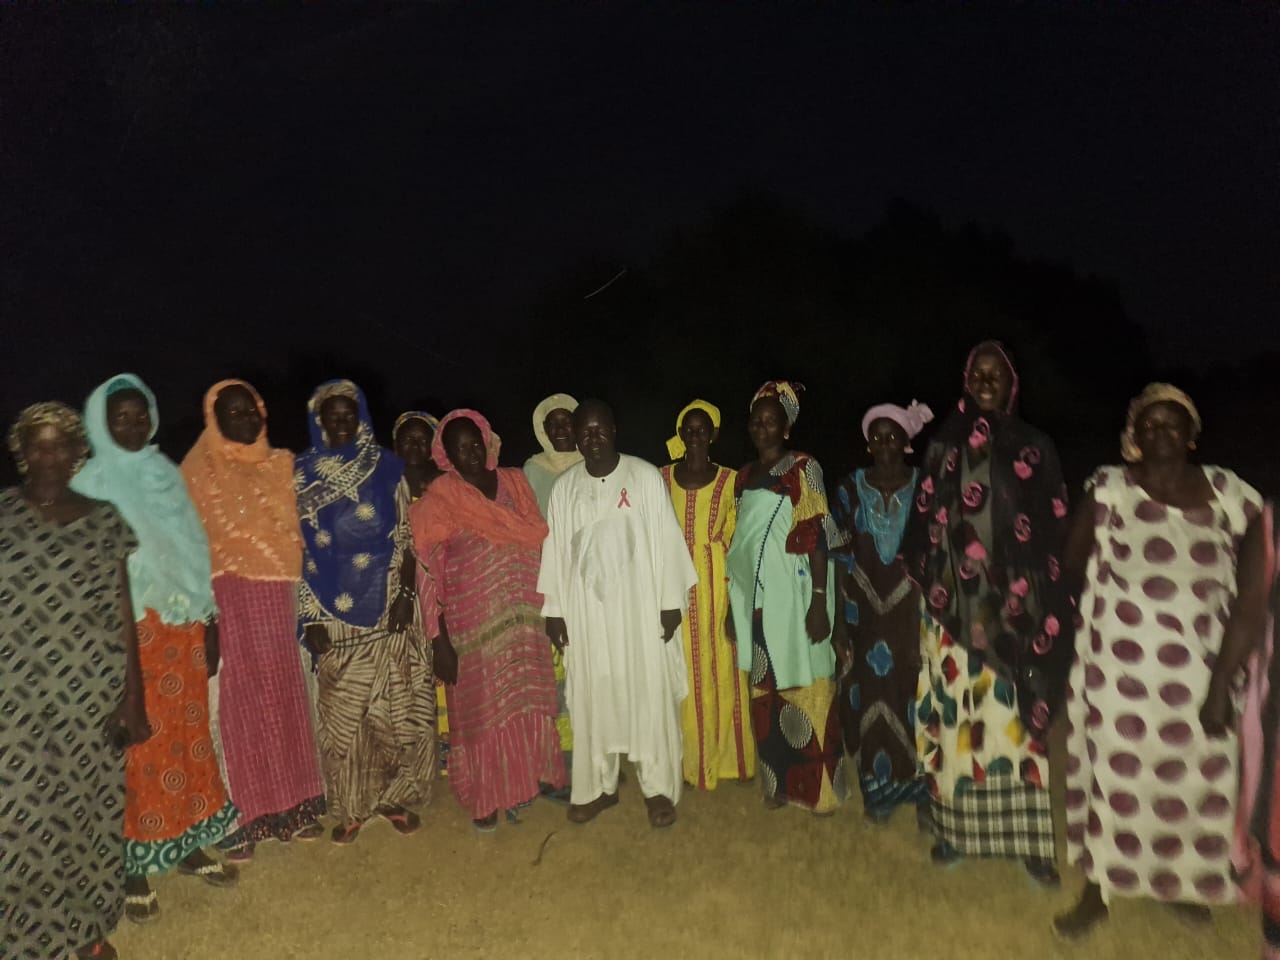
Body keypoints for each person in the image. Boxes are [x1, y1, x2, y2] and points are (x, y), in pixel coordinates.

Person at [1055, 384, 1261, 937]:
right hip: (1119, 674)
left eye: (1173, 424)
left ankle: (1179, 883)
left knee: (1194, 781)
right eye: (1149, 425)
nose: (1161, 433)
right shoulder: (1111, 488)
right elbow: (1072, 564)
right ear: (1134, 437)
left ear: (1193, 435)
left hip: (1202, 672)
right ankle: (1099, 890)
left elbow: (1255, 577)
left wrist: (1225, 675)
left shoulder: (1229, 493)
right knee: (1116, 779)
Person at [71, 374, 239, 923]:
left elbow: (193, 548)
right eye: (120, 416)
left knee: (188, 736)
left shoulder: (166, 474)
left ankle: (187, 841)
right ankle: (133, 864)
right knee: (138, 742)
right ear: (100, 420)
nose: (133, 423)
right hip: (130, 631)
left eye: (140, 413)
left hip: (182, 624)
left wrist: (208, 622)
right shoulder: (91, 482)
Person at [903, 342, 1072, 884]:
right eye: (978, 372)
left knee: (1016, 724)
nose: (985, 381)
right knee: (960, 722)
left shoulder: (1035, 446)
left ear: (1012, 382)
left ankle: (1031, 845)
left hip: (1015, 616)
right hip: (952, 612)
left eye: (995, 374)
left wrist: (1040, 601)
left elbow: (1052, 528)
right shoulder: (943, 443)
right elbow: (926, 521)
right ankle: (959, 832)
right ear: (966, 378)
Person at [1, 404, 148, 960]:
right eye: (37, 445)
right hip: (12, 693)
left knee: (87, 807)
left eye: (61, 445)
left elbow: (121, 605)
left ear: (77, 453)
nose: (49, 456)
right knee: (17, 812)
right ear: (20, 452)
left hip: (90, 690)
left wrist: (133, 696)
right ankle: (20, 936)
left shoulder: (105, 519)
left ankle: (85, 931)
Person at [180, 380, 325, 862]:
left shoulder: (281, 465)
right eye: (232, 411)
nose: (243, 418)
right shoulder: (197, 474)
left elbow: (306, 534)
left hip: (279, 593)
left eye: (250, 410)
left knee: (285, 690)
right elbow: (188, 550)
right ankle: (247, 813)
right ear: (213, 417)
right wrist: (205, 620)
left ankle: (296, 803)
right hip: (227, 598)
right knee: (240, 702)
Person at [537, 399, 698, 828]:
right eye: (584, 430)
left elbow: (666, 542)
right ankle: (597, 788)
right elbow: (554, 552)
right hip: (587, 617)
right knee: (595, 698)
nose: (592, 438)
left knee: (647, 696)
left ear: (614, 429)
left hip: (641, 613)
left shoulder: (644, 477)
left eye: (599, 429)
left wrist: (669, 604)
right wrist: (554, 610)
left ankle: (657, 788)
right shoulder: (565, 488)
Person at [411, 409, 566, 831]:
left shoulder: (516, 480)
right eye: (460, 447)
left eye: (475, 442)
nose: (471, 452)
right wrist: (436, 638)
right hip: (472, 628)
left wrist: (552, 608)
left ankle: (525, 780)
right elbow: (426, 573)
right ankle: (485, 794)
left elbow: (539, 539)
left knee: (523, 701)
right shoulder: (440, 497)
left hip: (525, 619)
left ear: (487, 440)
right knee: (481, 713)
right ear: (447, 455)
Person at [296, 380, 434, 844]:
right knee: (344, 710)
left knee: (396, 707)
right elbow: (296, 549)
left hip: (389, 600)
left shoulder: (386, 468)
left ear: (360, 419)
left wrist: (405, 596)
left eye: (348, 414)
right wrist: (309, 616)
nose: (340, 422)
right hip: (331, 606)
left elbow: (406, 538)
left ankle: (393, 799)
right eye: (331, 415)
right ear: (319, 420)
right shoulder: (300, 474)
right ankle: (353, 807)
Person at [726, 380, 846, 815]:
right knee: (766, 693)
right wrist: (730, 608)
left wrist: (818, 600)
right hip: (754, 603)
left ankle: (819, 792)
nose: (762, 428)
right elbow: (741, 544)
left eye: (771, 421)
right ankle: (778, 784)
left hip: (794, 599)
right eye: (756, 421)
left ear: (787, 428)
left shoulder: (803, 468)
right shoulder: (743, 477)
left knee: (806, 686)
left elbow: (816, 534)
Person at [830, 400, 932, 824]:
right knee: (870, 698)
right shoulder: (849, 489)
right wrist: (836, 621)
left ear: (908, 442)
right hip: (864, 616)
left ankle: (925, 792)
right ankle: (879, 793)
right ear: (867, 442)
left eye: (894, 435)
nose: (885, 443)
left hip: (915, 612)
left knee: (919, 694)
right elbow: (836, 555)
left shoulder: (928, 488)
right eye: (877, 435)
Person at [660, 399, 754, 789]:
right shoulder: (661, 478)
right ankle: (689, 763)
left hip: (719, 588)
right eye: (689, 429)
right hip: (674, 588)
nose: (695, 435)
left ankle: (733, 760)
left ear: (714, 434)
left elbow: (740, 543)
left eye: (703, 429)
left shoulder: (731, 480)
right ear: (681, 434)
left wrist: (736, 604)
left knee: (724, 670)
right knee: (683, 672)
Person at [1209, 502, 1279, 959]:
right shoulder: (1272, 524)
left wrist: (1218, 694)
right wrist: (1218, 693)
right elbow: (1248, 610)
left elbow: (1248, 612)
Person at [523, 392, 582, 783]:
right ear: (543, 430)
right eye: (553, 424)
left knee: (591, 670)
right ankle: (561, 758)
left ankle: (595, 753)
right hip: (549, 579)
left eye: (567, 422)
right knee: (556, 673)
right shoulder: (533, 469)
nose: (561, 430)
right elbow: (528, 525)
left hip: (591, 581)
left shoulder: (594, 462)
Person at [394, 411, 448, 777]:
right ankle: (412, 750)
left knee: (443, 660)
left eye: (422, 439)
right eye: (407, 439)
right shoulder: (384, 486)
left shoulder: (446, 486)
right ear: (395, 444)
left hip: (441, 586)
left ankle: (447, 744)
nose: (414, 446)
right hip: (396, 592)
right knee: (404, 669)